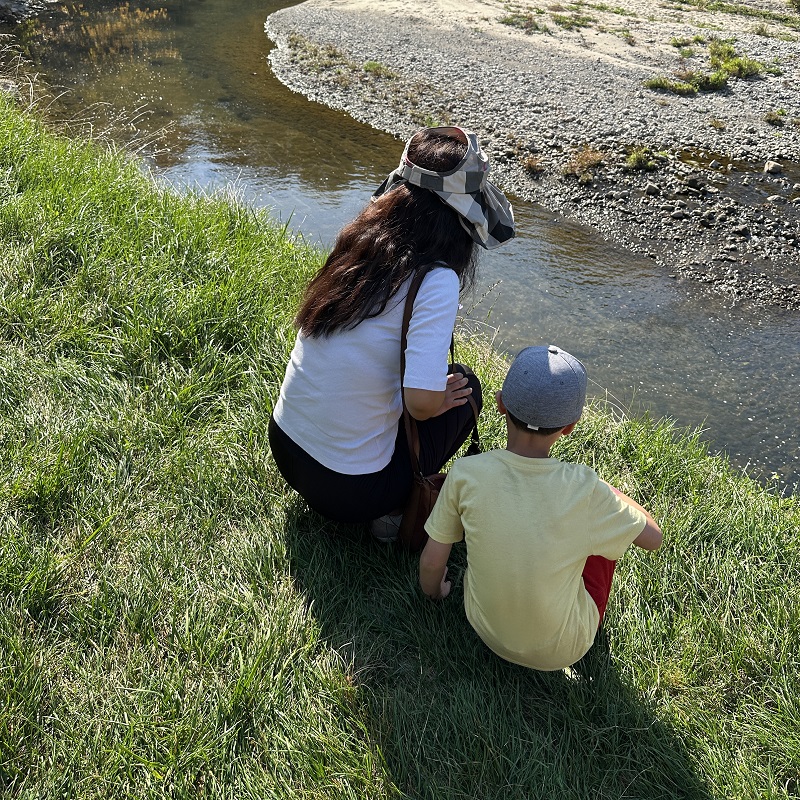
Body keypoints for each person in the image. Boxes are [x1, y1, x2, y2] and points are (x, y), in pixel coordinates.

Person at [268, 126, 515, 538]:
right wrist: (433, 404)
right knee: (466, 387)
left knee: (427, 383)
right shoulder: (435, 279)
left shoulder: (358, 239)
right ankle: (390, 517)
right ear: (462, 217)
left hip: (286, 448)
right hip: (348, 490)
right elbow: (419, 404)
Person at [419, 345, 662, 671]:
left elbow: (433, 563)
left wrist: (435, 593)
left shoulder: (465, 474)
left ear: (501, 404)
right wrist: (605, 489)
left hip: (485, 628)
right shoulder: (585, 491)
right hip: (563, 650)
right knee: (604, 534)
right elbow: (653, 538)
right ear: (570, 426)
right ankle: (591, 623)